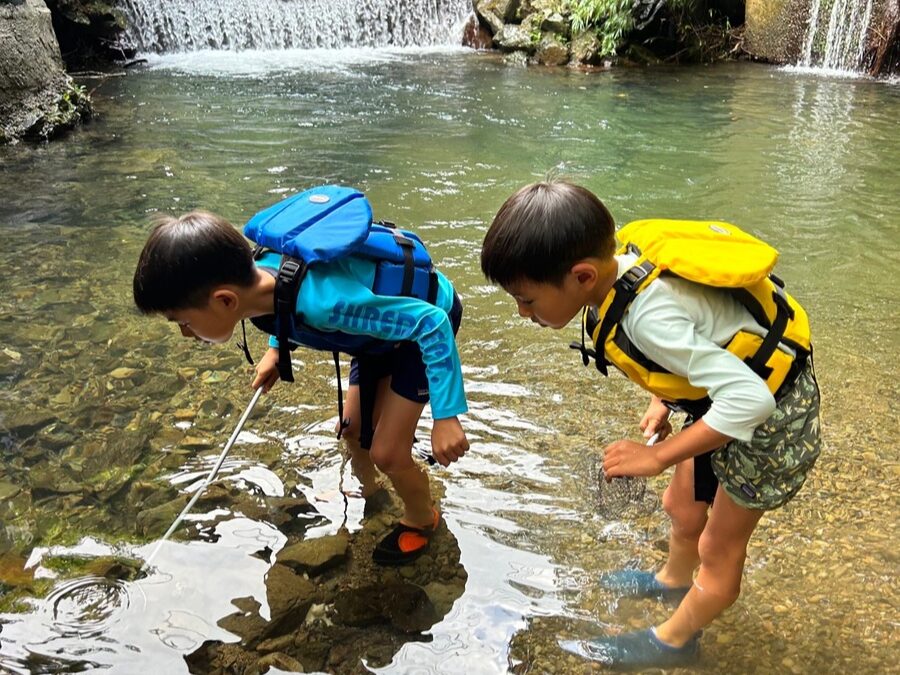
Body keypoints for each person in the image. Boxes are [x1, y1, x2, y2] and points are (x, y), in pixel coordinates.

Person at [479, 180, 821, 668]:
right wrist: (664, 398)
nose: (521, 311)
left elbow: (751, 400)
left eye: (528, 300)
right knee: (681, 508)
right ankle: (673, 581)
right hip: (719, 403)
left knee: (718, 548)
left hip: (772, 424)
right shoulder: (619, 267)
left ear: (581, 275)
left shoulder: (648, 318)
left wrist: (658, 456)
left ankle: (675, 640)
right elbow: (704, 331)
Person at [133, 206, 470, 566]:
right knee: (351, 429)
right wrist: (278, 349)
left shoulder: (324, 305)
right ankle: (373, 494)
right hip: (379, 330)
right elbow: (283, 303)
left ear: (225, 301)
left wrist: (446, 415)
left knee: (387, 451)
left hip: (422, 332)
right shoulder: (258, 276)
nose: (186, 333)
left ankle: (422, 518)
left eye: (183, 322)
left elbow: (431, 324)